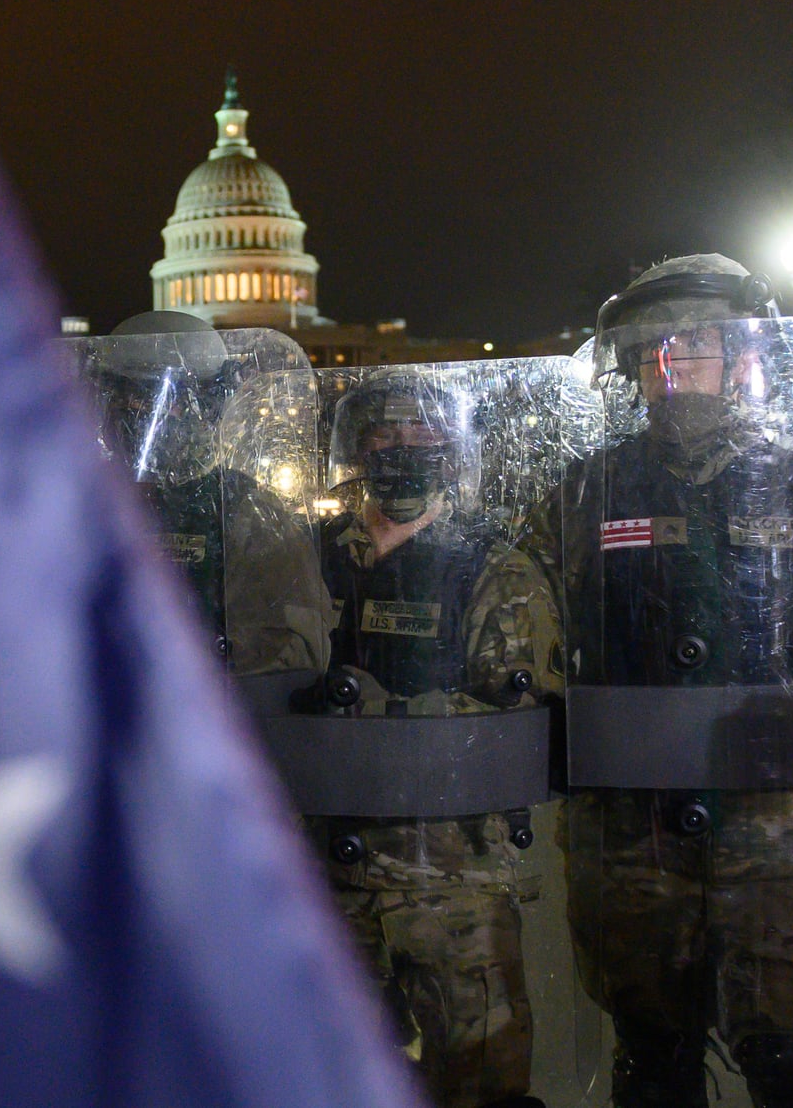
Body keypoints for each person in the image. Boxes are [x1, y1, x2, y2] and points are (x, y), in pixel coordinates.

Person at [530, 255, 793, 1108]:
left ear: (746, 357)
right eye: (653, 348)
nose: (670, 365)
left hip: (787, 835)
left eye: (696, 343)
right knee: (654, 1064)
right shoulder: (582, 493)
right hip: (636, 834)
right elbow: (533, 627)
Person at [304, 368, 558, 1108]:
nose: (403, 446)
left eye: (422, 432)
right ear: (356, 447)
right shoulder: (305, 559)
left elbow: (515, 719)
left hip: (451, 881)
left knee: (479, 1084)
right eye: (385, 431)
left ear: (451, 450)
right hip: (321, 877)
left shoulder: (493, 568)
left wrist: (381, 722)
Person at [83, 315, 331, 680]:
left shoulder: (244, 512)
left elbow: (292, 650)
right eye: (125, 397)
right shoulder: (82, 505)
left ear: (205, 409)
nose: (138, 414)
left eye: (162, 400)